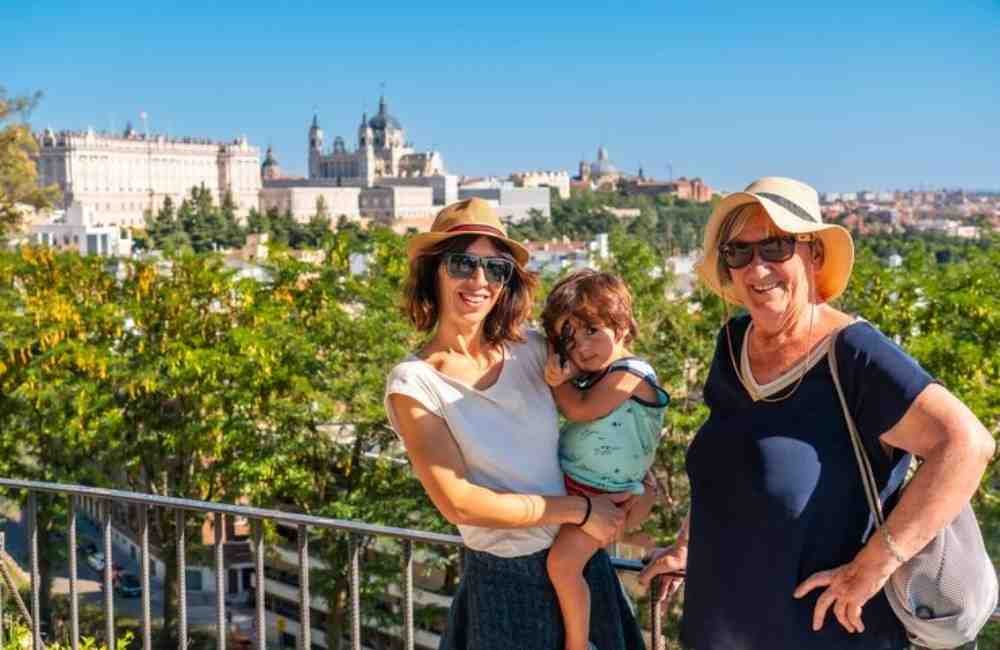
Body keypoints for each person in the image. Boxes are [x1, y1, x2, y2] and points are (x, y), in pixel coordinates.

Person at [637, 177, 995, 649]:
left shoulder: (854, 354)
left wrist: (872, 567)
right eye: (738, 252)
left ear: (815, 255)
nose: (756, 267)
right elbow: (727, 468)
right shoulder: (733, 344)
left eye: (776, 246)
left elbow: (967, 445)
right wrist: (687, 544)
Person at [384, 198, 647, 649]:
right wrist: (580, 510)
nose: (479, 280)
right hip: (507, 581)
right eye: (463, 263)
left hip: (580, 563)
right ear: (433, 271)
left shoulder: (534, 349)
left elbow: (609, 408)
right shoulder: (415, 383)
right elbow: (460, 503)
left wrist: (636, 475)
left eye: (496, 268)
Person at [541, 269, 670, 650]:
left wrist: (557, 380)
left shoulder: (632, 373)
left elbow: (580, 409)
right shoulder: (598, 372)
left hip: (602, 495)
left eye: (592, 330)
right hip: (583, 486)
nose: (581, 346)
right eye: (569, 338)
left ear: (622, 326)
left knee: (562, 565)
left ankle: (577, 643)